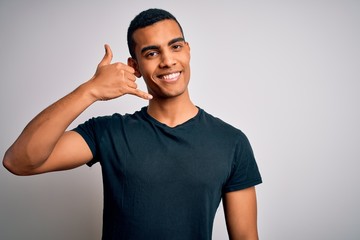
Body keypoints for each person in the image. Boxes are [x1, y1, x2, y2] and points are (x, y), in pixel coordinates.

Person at [3, 8, 262, 240]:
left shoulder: (231, 142)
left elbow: (246, 236)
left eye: (175, 46)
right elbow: (19, 161)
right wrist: (89, 91)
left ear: (188, 50)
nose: (168, 60)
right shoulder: (109, 132)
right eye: (152, 52)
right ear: (134, 66)